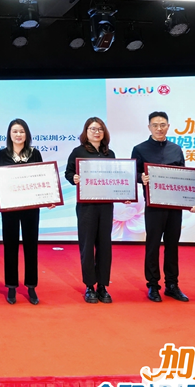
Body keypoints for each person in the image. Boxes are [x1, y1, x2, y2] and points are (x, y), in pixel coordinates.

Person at [131, 111, 195, 303]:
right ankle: (153, 284)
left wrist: (192, 201)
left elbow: (185, 177)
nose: (159, 128)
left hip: (174, 205)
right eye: (155, 125)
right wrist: (140, 178)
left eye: (162, 125)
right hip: (153, 205)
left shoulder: (176, 149)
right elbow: (133, 173)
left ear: (168, 126)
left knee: (172, 245)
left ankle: (172, 285)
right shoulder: (140, 149)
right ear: (149, 127)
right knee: (152, 245)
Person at [64, 117, 117, 304]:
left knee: (104, 245)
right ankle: (89, 286)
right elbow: (69, 173)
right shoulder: (78, 152)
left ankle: (102, 285)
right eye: (93, 129)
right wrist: (74, 178)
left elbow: (116, 177)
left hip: (106, 205)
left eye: (100, 129)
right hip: (86, 206)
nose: (97, 132)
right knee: (87, 245)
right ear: (86, 132)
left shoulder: (110, 154)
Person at [0, 118, 44, 305]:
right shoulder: (2, 154)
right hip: (10, 207)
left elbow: (42, 178)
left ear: (27, 134)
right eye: (15, 131)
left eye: (22, 131)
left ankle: (31, 286)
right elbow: (1, 181)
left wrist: (47, 197)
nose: (18, 135)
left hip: (31, 206)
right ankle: (11, 286)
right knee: (10, 244)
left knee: (31, 245)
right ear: (9, 134)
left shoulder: (35, 153)